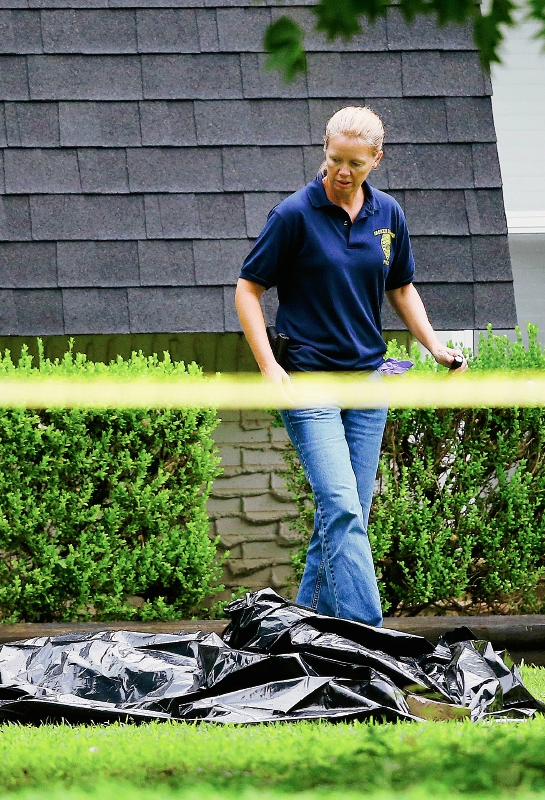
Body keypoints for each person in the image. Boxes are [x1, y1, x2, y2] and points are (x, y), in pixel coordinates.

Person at [235, 106, 467, 627]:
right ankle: (372, 638)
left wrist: (435, 347)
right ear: (325, 149)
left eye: (356, 164)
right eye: (335, 159)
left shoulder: (388, 215)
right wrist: (271, 368)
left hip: (369, 381)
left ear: (376, 160)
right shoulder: (294, 215)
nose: (343, 171)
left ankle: (299, 633)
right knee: (341, 509)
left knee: (346, 517)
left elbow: (401, 287)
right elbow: (247, 290)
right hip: (309, 382)